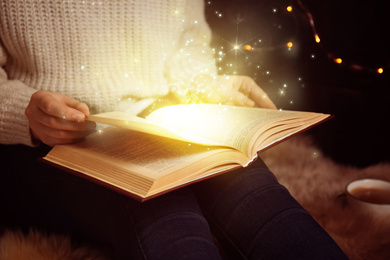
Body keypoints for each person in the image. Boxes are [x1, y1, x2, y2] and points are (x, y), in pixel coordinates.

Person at [0, 0, 347, 259]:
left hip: (155, 118)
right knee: (157, 205)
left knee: (247, 184)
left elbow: (188, 41)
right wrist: (25, 112)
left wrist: (202, 86)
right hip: (41, 140)